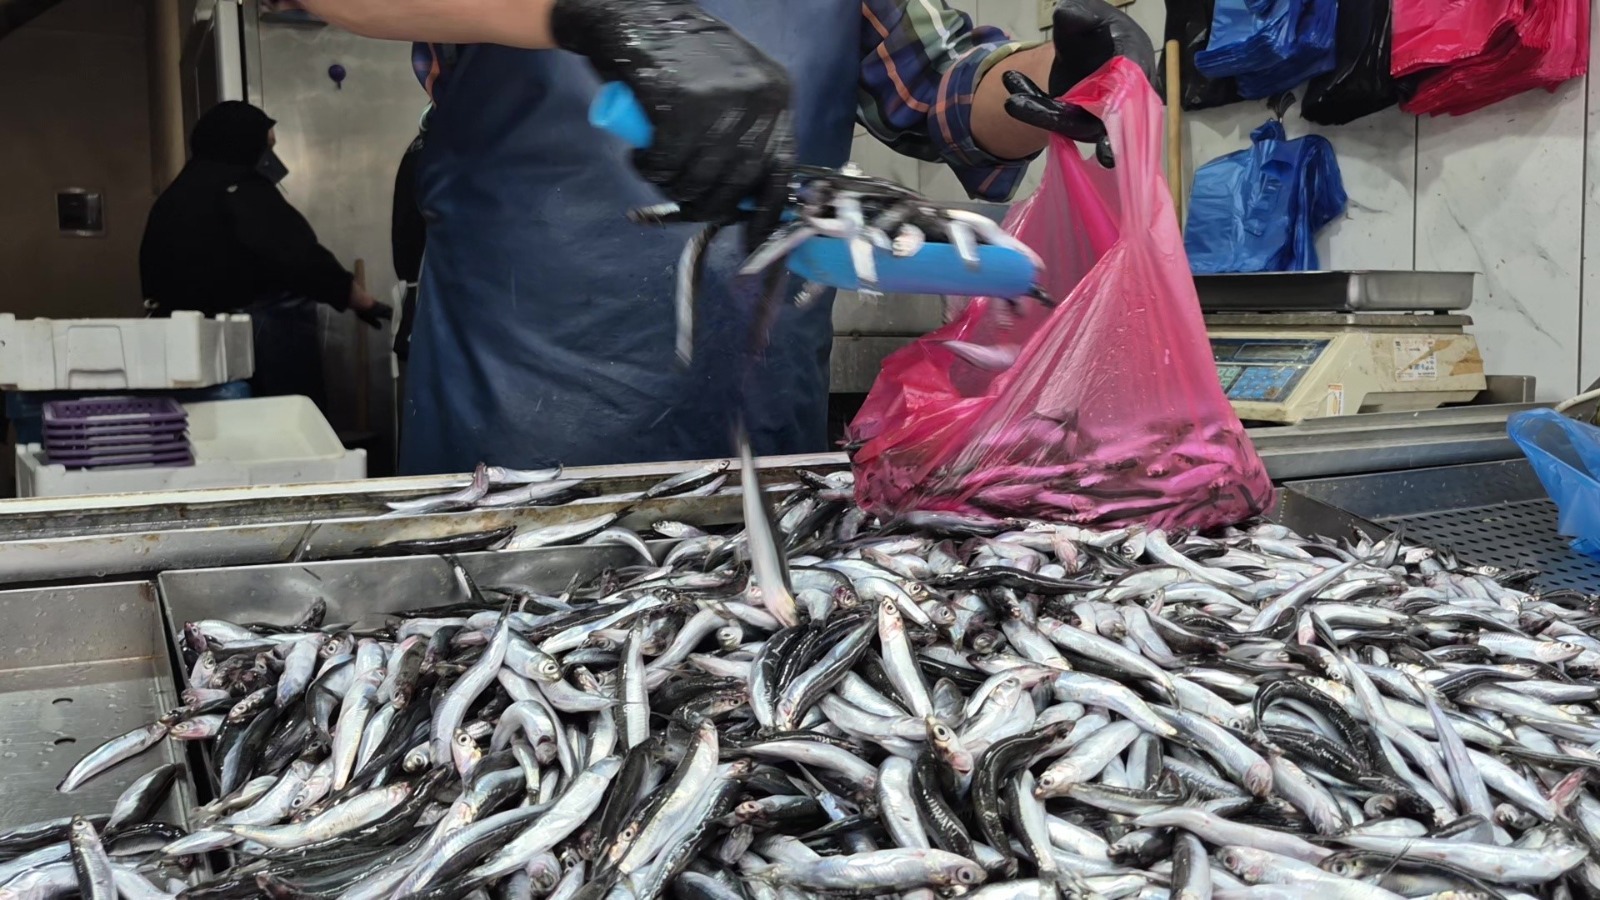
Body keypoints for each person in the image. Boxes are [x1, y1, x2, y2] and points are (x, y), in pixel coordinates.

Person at [285, 0, 1153, 474]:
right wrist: (585, 15)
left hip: (755, 428)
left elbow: (949, 95)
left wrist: (1066, 72)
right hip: (513, 433)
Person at [140, 101, 393, 411]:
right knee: (286, 429)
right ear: (242, 145)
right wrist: (358, 299)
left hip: (184, 355)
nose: (270, 159)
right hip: (254, 349)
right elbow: (298, 257)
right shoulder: (242, 191)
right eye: (265, 147)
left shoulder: (173, 198)